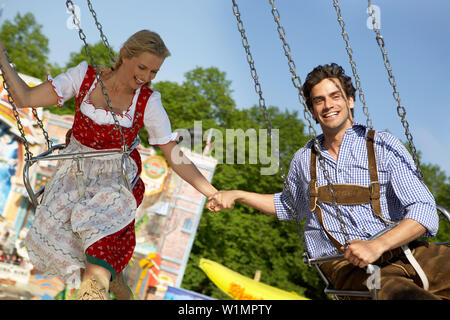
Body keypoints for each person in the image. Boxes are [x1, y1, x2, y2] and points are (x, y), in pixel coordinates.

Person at [0, 30, 218, 300]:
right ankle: (117, 283)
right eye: (142, 67)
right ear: (125, 55)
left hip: (114, 183)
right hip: (74, 176)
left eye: (154, 72)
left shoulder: (148, 102)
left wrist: (210, 191)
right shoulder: (85, 77)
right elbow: (26, 99)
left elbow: (173, 153)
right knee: (78, 255)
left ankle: (106, 279)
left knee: (96, 268)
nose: (146, 77)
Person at [207, 63, 450, 300]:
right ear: (312, 111)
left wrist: (378, 245)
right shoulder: (305, 160)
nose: (328, 105)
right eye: (319, 100)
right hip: (353, 268)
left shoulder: (383, 146)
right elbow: (288, 206)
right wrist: (238, 194)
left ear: (350, 100)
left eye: (335, 96)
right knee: (398, 294)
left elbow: (424, 210)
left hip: (407, 250)